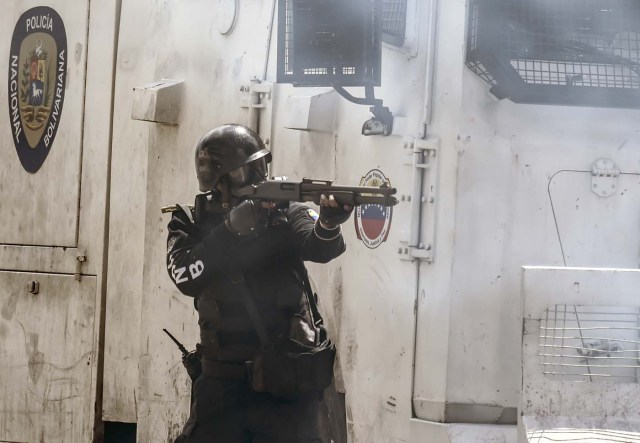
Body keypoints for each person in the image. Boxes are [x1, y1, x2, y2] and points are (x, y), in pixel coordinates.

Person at [166, 123, 353, 442]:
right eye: (246, 171)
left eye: (261, 167)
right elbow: (185, 275)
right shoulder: (191, 221)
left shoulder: (285, 213)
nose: (258, 178)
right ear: (218, 181)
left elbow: (318, 246)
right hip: (221, 388)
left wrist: (328, 223)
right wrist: (229, 231)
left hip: (285, 386)